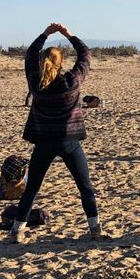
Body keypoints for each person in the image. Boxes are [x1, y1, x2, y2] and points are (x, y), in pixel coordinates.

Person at [9, 22, 112, 244]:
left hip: (44, 143)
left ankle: (17, 231)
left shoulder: (36, 83)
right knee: (85, 188)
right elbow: (85, 55)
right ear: (61, 62)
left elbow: (29, 55)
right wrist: (68, 34)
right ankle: (95, 230)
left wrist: (46, 34)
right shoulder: (71, 81)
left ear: (42, 62)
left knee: (32, 190)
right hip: (69, 142)